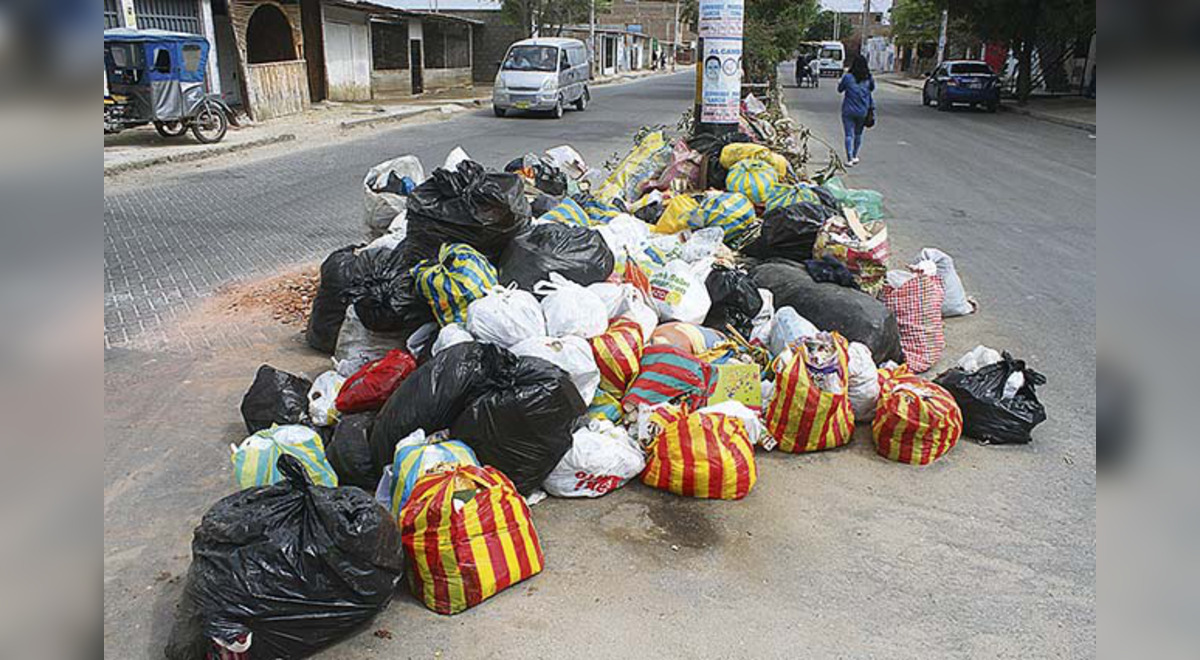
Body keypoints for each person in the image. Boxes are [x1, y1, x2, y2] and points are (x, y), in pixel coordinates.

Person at [838, 54, 875, 166]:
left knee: (849, 134)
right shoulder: (868, 78)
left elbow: (840, 89)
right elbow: (872, 89)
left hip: (848, 110)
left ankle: (849, 158)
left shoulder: (848, 77)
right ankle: (854, 155)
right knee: (858, 134)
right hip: (862, 110)